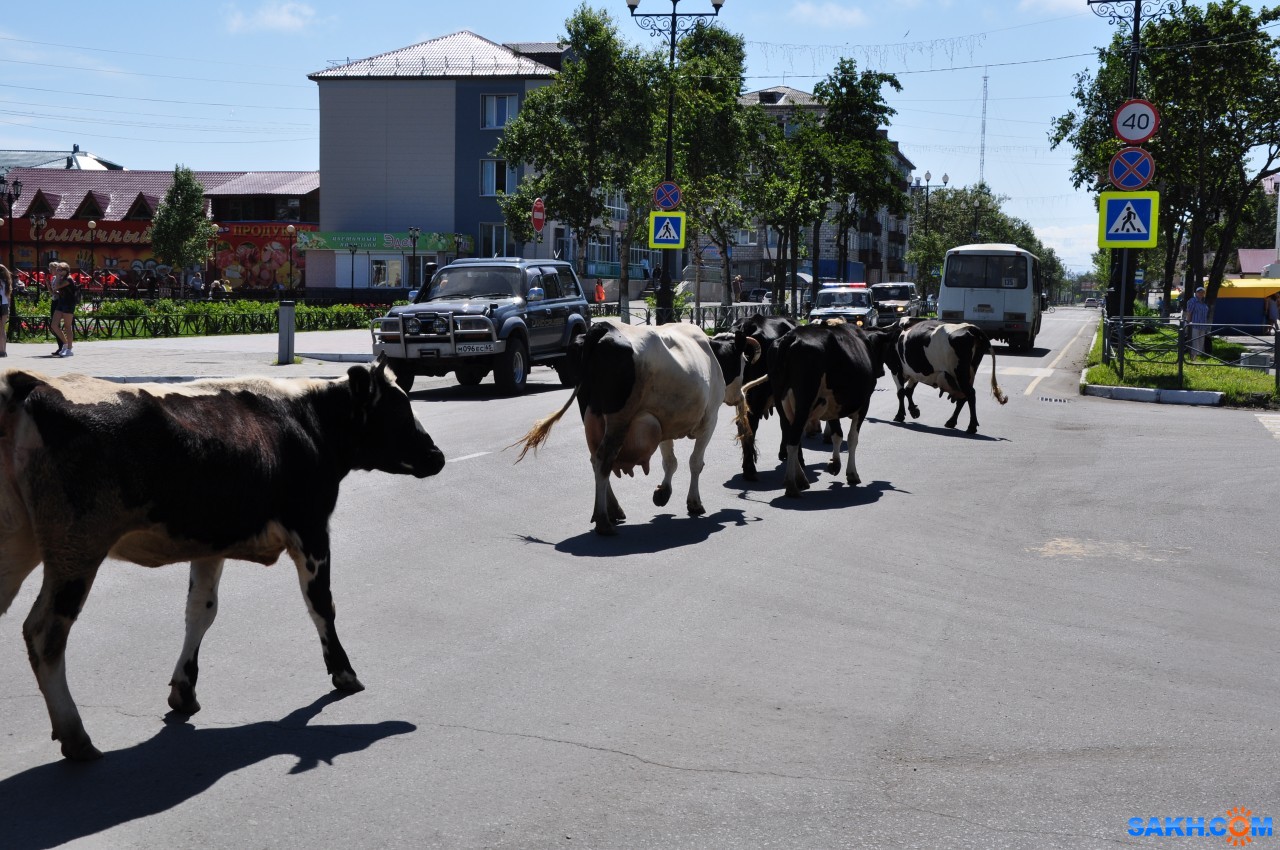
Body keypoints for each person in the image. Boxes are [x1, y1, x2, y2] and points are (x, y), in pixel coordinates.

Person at [50, 261, 77, 357]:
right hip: (61, 303)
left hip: (69, 304)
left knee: (67, 326)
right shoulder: (61, 279)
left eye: (61, 270)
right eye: (58, 270)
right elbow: (54, 289)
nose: (58, 271)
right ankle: (65, 344)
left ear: (66, 270)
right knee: (54, 325)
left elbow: (57, 286)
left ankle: (69, 348)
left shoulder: (68, 279)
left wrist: (57, 276)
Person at [1185, 285, 1209, 360]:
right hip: (1194, 325)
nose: (1201, 294)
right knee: (1195, 342)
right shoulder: (1192, 301)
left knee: (1201, 342)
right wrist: (1187, 324)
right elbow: (1189, 313)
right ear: (1196, 293)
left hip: (1203, 325)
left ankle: (1197, 358)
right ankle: (1193, 358)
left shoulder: (1203, 303)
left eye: (1202, 292)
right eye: (1199, 292)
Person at [0, 263, 11, 357]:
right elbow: (8, 297)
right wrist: (9, 307)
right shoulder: (7, 282)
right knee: (2, 329)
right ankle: (3, 350)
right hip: (5, 305)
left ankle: (1, 350)